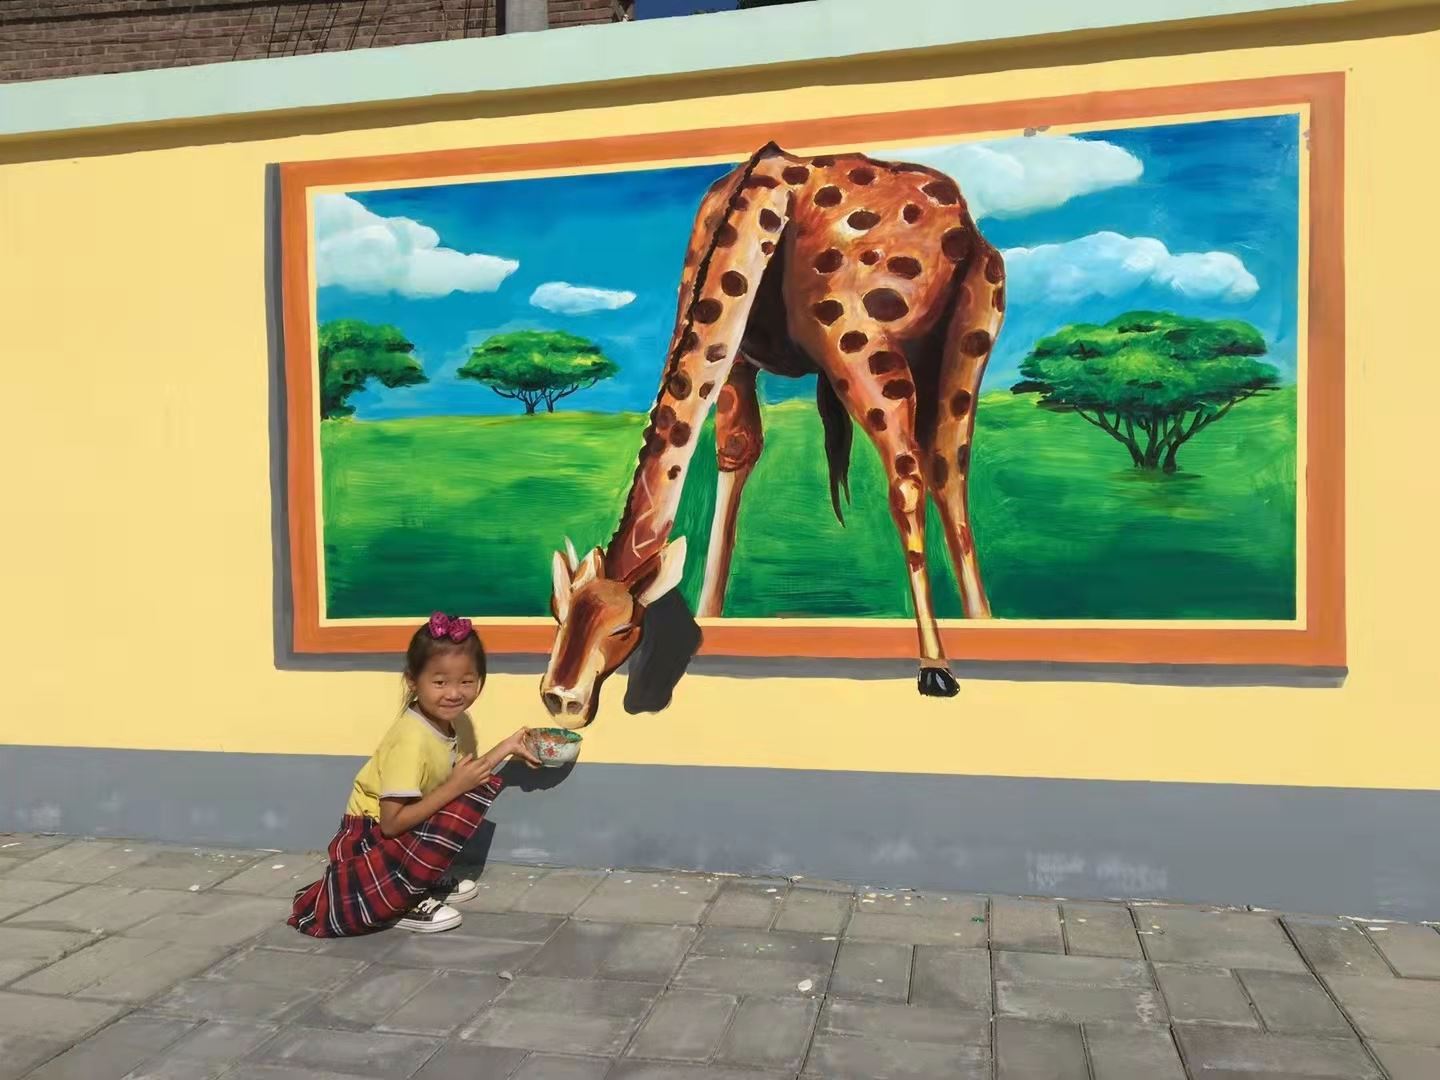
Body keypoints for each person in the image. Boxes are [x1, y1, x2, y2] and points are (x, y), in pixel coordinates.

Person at [289, 612, 540, 937]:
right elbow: (392, 824)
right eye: (440, 682)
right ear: (413, 681)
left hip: (397, 836)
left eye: (466, 681)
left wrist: (508, 746)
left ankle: (417, 880)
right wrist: (455, 786)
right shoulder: (411, 739)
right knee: (459, 793)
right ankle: (403, 902)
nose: (454, 693)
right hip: (368, 843)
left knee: (465, 788)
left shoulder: (444, 723)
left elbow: (466, 776)